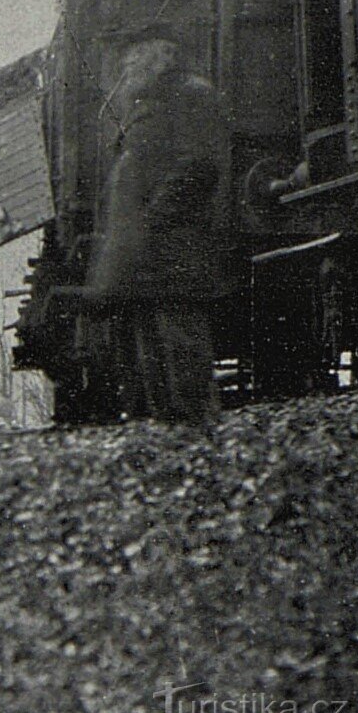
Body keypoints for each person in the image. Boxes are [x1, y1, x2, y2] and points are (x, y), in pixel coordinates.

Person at [85, 34, 229, 426]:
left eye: (135, 57)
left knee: (181, 358)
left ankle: (197, 448)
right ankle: (170, 448)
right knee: (152, 368)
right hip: (145, 256)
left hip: (174, 250)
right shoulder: (144, 106)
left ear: (163, 56)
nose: (127, 67)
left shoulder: (191, 96)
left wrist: (153, 218)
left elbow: (199, 167)